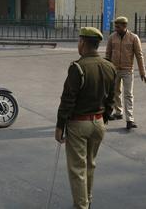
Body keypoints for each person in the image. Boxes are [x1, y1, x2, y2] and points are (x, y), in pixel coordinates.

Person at [55, 27, 116, 209]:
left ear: (82, 43)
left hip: (79, 124)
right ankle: (87, 201)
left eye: (79, 41)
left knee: (77, 169)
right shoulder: (109, 66)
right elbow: (112, 98)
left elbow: (67, 100)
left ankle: (81, 206)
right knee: (90, 165)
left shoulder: (78, 67)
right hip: (98, 123)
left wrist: (60, 126)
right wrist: (103, 118)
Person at [105, 16, 146, 129]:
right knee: (115, 92)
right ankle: (118, 112)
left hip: (127, 70)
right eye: (115, 26)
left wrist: (143, 72)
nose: (115, 28)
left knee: (128, 94)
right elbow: (107, 55)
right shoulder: (112, 37)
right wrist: (106, 70)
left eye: (118, 26)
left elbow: (139, 55)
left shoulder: (133, 38)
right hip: (114, 70)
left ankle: (130, 119)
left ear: (125, 26)